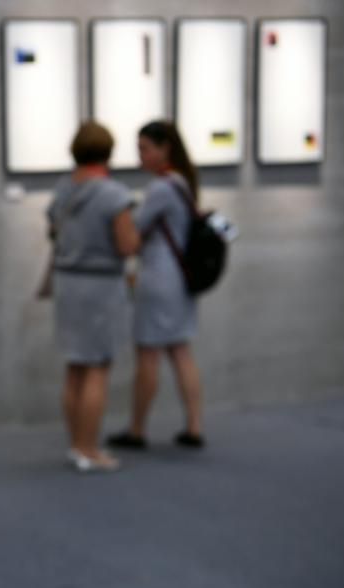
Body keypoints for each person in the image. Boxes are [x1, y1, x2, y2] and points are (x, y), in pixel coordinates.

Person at [38, 122, 139, 472]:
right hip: (100, 286)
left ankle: (76, 445)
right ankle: (90, 449)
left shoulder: (64, 190)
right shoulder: (114, 194)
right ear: (108, 152)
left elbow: (53, 232)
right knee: (97, 367)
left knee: (75, 368)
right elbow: (127, 245)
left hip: (67, 284)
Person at [108, 120, 205, 451]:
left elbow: (133, 232)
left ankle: (137, 429)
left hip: (159, 279)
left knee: (148, 352)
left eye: (145, 148)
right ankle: (193, 425)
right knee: (180, 350)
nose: (140, 156)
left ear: (165, 148)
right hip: (180, 280)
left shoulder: (162, 188)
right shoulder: (182, 183)